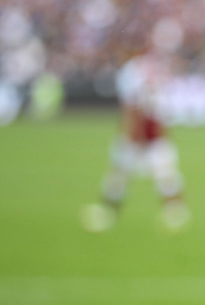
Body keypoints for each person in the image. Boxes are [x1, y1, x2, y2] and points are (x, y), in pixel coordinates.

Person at [80, 52, 190, 233]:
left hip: (146, 141)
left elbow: (136, 115)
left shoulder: (143, 90)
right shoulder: (149, 88)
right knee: (130, 177)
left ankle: (174, 212)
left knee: (156, 176)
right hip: (149, 140)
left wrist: (134, 136)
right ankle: (174, 213)